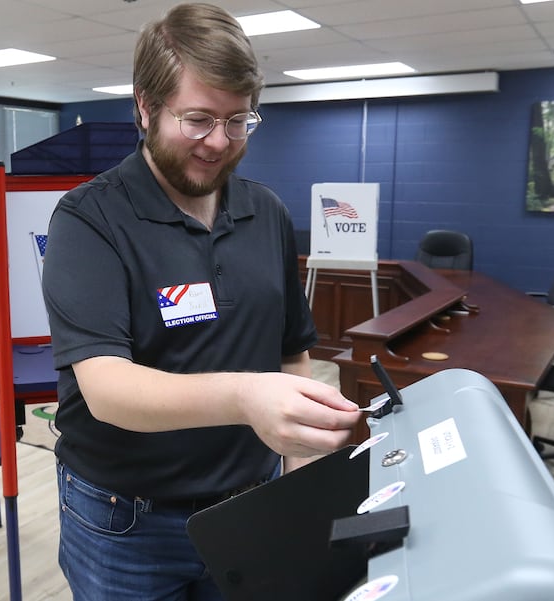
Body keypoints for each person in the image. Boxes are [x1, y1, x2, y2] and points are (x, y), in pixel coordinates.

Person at [41, 4, 362, 599]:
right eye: (197, 120)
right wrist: (246, 396)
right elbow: (108, 388)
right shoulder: (89, 219)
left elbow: (290, 352)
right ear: (144, 106)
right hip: (124, 522)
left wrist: (298, 478)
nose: (219, 142)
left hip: (250, 503)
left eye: (239, 121)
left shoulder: (266, 211)